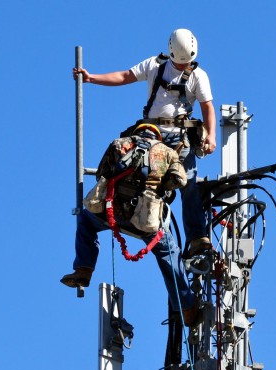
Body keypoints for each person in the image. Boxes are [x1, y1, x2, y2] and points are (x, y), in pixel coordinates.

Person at [72, 28, 215, 256]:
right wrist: (92, 78)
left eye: (186, 63)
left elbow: (208, 107)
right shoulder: (155, 65)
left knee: (188, 183)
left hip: (179, 137)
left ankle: (197, 236)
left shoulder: (198, 76)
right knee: (130, 168)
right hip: (151, 134)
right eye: (179, 63)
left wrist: (211, 136)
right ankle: (126, 213)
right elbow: (125, 76)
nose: (182, 67)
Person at [61, 125, 198, 324]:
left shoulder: (119, 144)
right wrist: (162, 189)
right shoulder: (167, 152)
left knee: (85, 220)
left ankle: (84, 270)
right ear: (157, 135)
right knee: (169, 254)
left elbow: (102, 173)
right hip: (145, 217)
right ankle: (187, 309)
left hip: (111, 211)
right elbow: (180, 180)